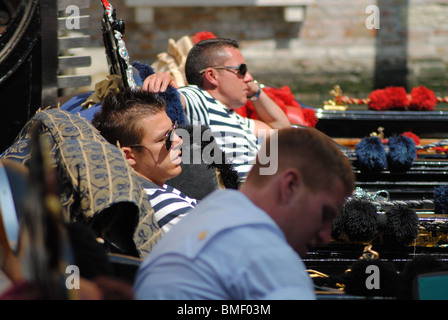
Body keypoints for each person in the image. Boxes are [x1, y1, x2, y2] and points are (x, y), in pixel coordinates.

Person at [133, 127, 356, 300]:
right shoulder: (270, 260)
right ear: (290, 185)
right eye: (325, 214)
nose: (325, 236)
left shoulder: (206, 213)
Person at [142, 37, 291, 183]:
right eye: (242, 70)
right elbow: (170, 100)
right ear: (212, 76)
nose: (249, 77)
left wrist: (256, 92)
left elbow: (283, 130)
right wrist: (164, 84)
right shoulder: (201, 99)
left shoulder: (236, 119)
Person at [91, 88, 197, 234]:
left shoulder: (154, 188)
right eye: (165, 138)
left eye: (174, 129)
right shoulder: (165, 206)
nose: (178, 140)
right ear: (128, 156)